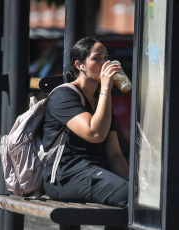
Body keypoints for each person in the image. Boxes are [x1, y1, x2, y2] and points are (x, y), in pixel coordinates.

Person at [42, 37, 129, 208]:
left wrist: (134, 185)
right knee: (127, 195)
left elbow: (115, 154)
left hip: (96, 172)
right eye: (97, 58)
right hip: (65, 176)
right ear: (80, 65)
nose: (105, 64)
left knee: (138, 197)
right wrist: (105, 89)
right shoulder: (64, 95)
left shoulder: (101, 101)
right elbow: (94, 133)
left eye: (106, 57)